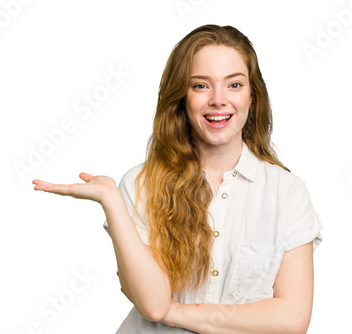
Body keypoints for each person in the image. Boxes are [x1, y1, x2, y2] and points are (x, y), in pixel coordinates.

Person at [32, 24, 323, 333]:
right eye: (201, 86)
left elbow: (292, 320)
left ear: (253, 96)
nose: (218, 100)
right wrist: (112, 202)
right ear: (181, 98)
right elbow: (153, 304)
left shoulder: (287, 192)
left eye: (234, 85)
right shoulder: (140, 184)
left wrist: (178, 312)